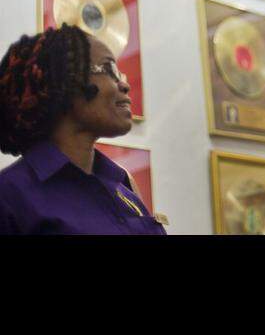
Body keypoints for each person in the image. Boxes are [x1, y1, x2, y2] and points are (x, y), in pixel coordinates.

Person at [0, 24, 166, 234]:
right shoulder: (10, 196)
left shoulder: (123, 187)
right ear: (65, 83)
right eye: (109, 70)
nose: (124, 85)